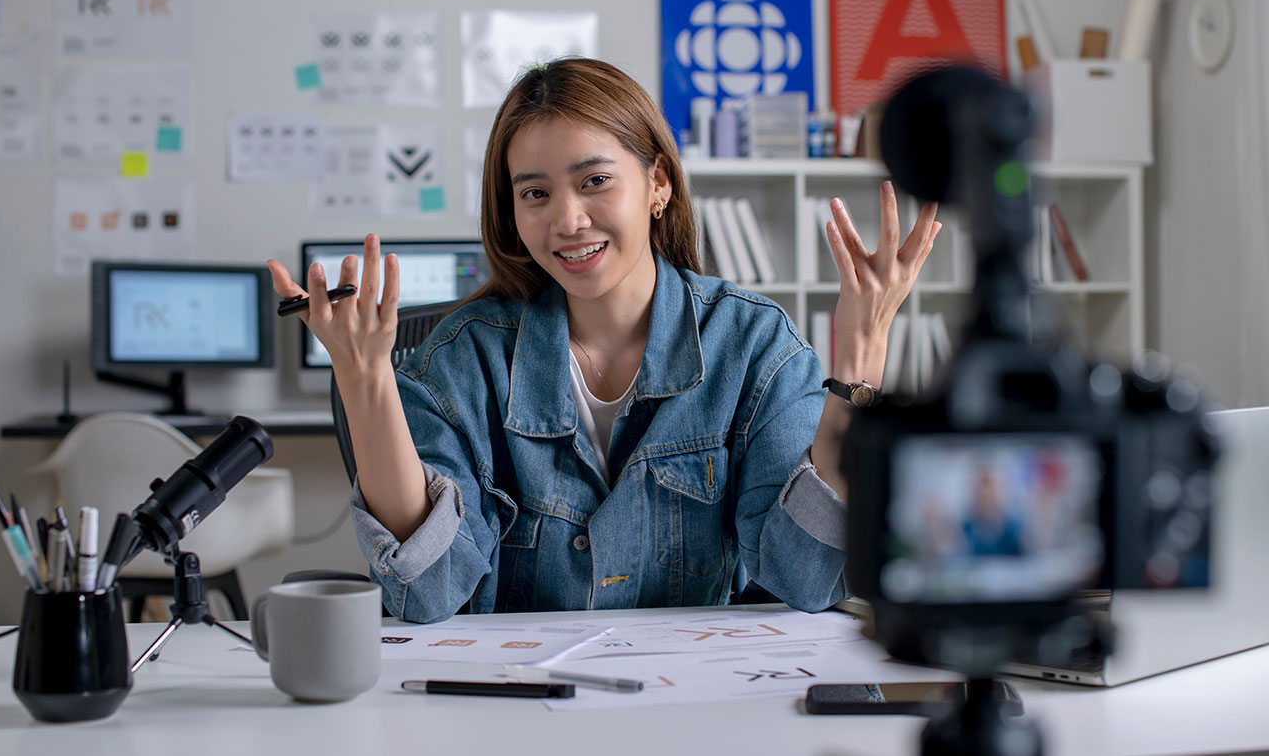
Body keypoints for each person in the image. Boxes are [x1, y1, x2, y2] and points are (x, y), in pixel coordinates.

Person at [267, 58, 941, 622]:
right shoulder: (462, 358)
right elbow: (430, 592)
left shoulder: (752, 343)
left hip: (695, 703)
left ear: (657, 183)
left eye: (594, 181)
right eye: (534, 194)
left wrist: (861, 353)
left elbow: (808, 580)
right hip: (516, 705)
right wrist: (365, 381)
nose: (567, 218)